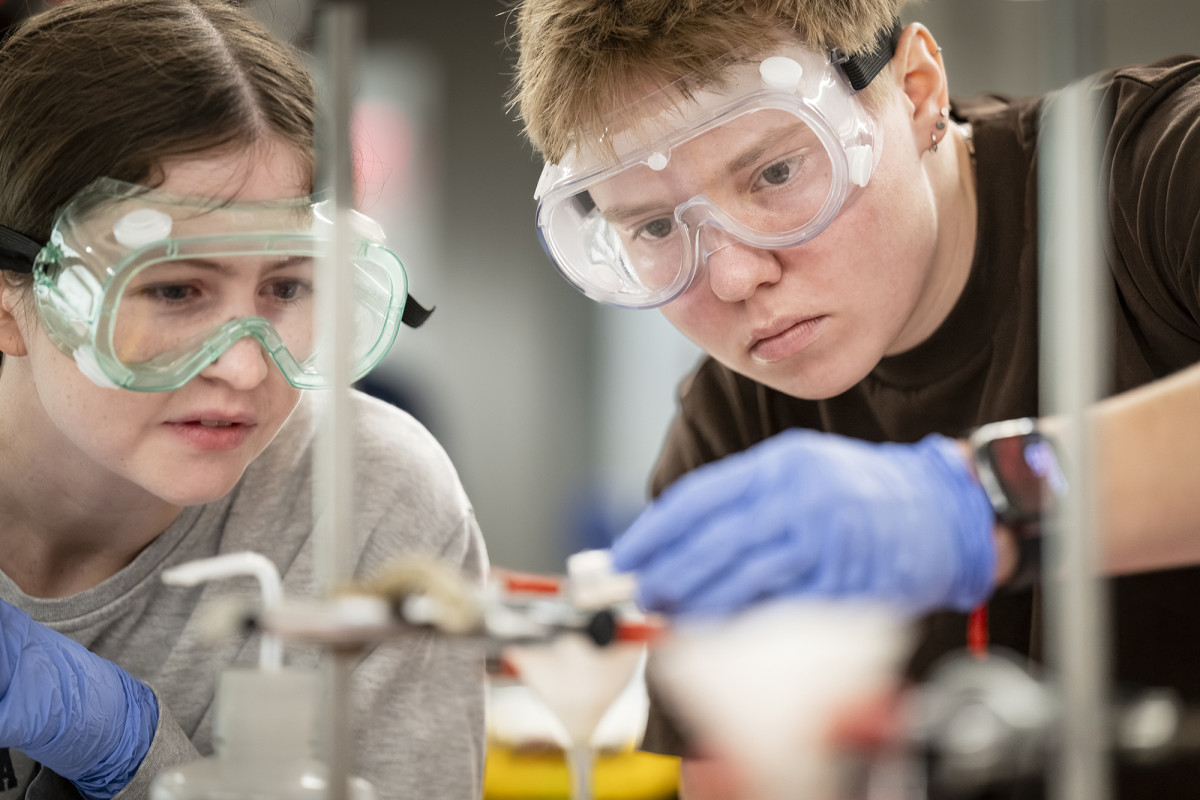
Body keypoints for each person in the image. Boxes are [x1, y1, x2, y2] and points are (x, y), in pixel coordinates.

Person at [507, 0, 1200, 797]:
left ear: (916, 92)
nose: (734, 278)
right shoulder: (733, 425)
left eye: (775, 172)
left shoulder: (1157, 172)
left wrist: (986, 499)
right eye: (657, 228)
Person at [0, 1, 487, 798]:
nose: (246, 369)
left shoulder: (368, 504)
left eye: (287, 285)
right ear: (9, 301)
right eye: (175, 289)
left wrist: (137, 752)